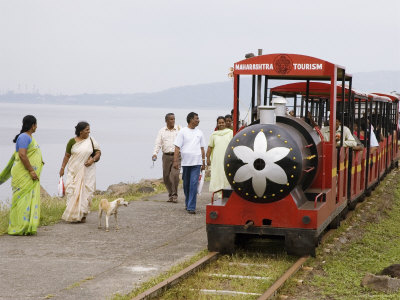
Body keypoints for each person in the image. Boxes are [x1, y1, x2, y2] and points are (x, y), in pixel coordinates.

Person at [0, 115, 43, 235]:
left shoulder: (29, 137)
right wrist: (31, 170)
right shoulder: (24, 137)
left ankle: (26, 226)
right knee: (21, 199)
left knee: (28, 199)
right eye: (36, 124)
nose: (37, 127)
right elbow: (22, 155)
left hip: (28, 174)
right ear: (32, 125)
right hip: (23, 174)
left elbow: (31, 153)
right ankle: (18, 227)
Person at [59, 121, 101, 223]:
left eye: (89, 129)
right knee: (72, 191)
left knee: (86, 193)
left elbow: (98, 153)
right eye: (87, 130)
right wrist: (62, 168)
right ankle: (73, 215)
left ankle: (82, 215)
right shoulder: (71, 142)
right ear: (81, 131)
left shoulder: (91, 140)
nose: (89, 131)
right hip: (74, 171)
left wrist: (92, 160)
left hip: (88, 171)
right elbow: (67, 156)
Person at [173, 112, 206, 214]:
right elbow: (177, 147)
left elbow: (202, 148)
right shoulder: (182, 132)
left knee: (193, 184)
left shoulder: (200, 132)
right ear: (191, 119)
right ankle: (188, 203)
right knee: (186, 184)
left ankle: (191, 207)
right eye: (196, 118)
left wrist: (203, 162)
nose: (198, 120)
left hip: (197, 163)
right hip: (186, 163)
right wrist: (175, 161)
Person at [152, 113, 180, 203]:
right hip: (166, 156)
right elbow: (158, 143)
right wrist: (155, 153)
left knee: (175, 175)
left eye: (174, 119)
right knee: (166, 176)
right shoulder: (162, 131)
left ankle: (175, 195)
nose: (173, 121)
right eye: (171, 119)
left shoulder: (179, 129)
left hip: (177, 156)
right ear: (166, 121)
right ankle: (170, 194)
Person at [206, 116, 233, 196]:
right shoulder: (214, 134)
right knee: (218, 175)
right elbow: (210, 147)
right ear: (217, 124)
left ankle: (227, 194)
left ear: (225, 123)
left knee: (226, 175)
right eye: (219, 123)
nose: (221, 124)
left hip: (227, 159)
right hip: (217, 160)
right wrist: (208, 159)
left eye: (222, 122)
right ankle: (219, 194)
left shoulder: (230, 133)